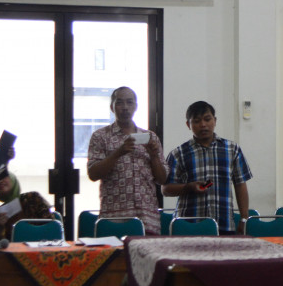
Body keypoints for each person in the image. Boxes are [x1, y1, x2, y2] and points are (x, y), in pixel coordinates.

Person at [87, 86, 167, 234]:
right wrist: (119, 152)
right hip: (113, 217)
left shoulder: (150, 137)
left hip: (147, 218)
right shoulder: (100, 136)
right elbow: (93, 174)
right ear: (112, 107)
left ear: (136, 106)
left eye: (129, 102)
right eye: (119, 102)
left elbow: (162, 179)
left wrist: (154, 156)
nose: (125, 107)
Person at [162, 101, 251, 235]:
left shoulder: (232, 149)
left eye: (207, 119)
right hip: (188, 224)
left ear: (215, 121)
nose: (203, 124)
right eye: (197, 121)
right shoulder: (178, 153)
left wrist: (244, 218)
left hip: (223, 223)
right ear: (188, 125)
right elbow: (165, 189)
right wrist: (188, 187)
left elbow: (240, 184)